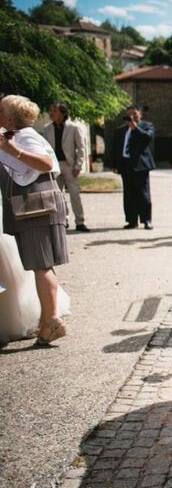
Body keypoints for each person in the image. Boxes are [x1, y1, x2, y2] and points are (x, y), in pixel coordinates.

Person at [0, 95, 72, 346]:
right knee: (40, 266)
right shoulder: (13, 135)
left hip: (36, 208)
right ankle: (46, 322)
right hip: (32, 208)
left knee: (41, 266)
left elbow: (46, 163)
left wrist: (13, 151)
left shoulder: (24, 136)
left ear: (9, 117)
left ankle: (52, 321)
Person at [104, 104, 155, 229]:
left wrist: (135, 128)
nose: (132, 116)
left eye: (135, 113)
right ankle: (132, 220)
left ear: (140, 114)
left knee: (143, 193)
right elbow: (115, 147)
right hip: (125, 165)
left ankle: (146, 220)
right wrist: (113, 164)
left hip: (140, 165)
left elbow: (147, 138)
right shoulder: (120, 130)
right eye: (129, 114)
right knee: (129, 194)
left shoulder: (147, 126)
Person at [41, 101, 89, 232]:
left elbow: (81, 148)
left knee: (75, 194)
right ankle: (63, 220)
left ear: (63, 113)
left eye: (54, 111)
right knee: (58, 195)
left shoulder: (73, 127)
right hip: (54, 166)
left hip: (69, 165)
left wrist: (78, 165)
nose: (51, 113)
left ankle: (80, 221)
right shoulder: (47, 129)